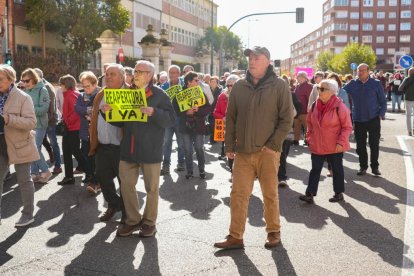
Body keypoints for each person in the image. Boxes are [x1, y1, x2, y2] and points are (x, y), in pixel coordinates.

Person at [214, 46, 293, 249]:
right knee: (238, 194)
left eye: (256, 57)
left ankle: (274, 232)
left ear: (267, 60)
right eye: (250, 57)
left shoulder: (279, 85)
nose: (251, 60)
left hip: (268, 152)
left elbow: (286, 119)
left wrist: (273, 145)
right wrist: (229, 145)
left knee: (269, 194)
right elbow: (230, 118)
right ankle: (235, 237)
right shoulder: (239, 86)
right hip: (242, 151)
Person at [107, 60, 175, 237]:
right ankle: (133, 220)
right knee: (126, 187)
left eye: (140, 72)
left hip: (151, 148)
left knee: (151, 189)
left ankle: (149, 223)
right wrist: (107, 112)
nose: (136, 74)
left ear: (150, 75)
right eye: (135, 71)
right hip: (128, 148)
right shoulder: (127, 93)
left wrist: (154, 112)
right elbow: (119, 120)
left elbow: (170, 120)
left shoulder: (160, 95)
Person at [299, 79, 352, 203]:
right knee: (315, 169)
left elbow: (347, 127)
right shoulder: (314, 105)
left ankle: (338, 193)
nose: (319, 91)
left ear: (332, 92)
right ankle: (310, 194)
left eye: (322, 89)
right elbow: (310, 122)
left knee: (337, 169)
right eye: (318, 88)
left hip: (334, 145)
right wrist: (309, 136)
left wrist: (341, 142)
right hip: (317, 144)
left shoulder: (340, 107)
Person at [0, 65, 39, 227]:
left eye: (0, 79)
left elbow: (31, 122)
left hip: (20, 144)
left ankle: (28, 214)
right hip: (1, 145)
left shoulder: (23, 97)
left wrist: (8, 119)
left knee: (24, 180)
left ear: (11, 79)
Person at [89, 64, 126, 222]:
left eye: (113, 74)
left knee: (124, 182)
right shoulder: (101, 93)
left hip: (121, 148)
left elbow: (129, 121)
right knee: (103, 179)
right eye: (107, 74)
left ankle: (127, 213)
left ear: (122, 77)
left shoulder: (129, 93)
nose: (108, 77)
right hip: (102, 146)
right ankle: (114, 205)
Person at [343, 63, 387, 176]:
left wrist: (381, 114)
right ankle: (363, 167)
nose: (360, 72)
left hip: (373, 118)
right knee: (360, 145)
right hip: (358, 119)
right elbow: (341, 94)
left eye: (362, 70)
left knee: (374, 144)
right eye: (358, 70)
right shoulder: (352, 84)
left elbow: (383, 101)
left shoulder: (376, 84)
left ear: (368, 71)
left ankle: (375, 167)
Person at [174, 71, 211, 180]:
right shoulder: (180, 95)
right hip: (185, 127)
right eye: (196, 80)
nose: (198, 82)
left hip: (198, 126)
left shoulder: (200, 93)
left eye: (198, 80)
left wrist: (198, 110)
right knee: (187, 150)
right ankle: (189, 171)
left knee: (199, 148)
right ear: (189, 82)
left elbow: (208, 108)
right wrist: (186, 112)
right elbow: (175, 110)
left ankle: (201, 170)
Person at [57, 74, 90, 185]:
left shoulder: (70, 95)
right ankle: (69, 176)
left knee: (75, 151)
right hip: (72, 127)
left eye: (61, 84)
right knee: (68, 151)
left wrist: (68, 122)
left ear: (65, 84)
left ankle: (90, 172)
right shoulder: (72, 94)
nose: (60, 86)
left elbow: (76, 112)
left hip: (72, 127)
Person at [20, 68, 52, 184]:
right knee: (31, 148)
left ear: (34, 79)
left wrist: (28, 109)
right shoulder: (26, 91)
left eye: (27, 81)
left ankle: (45, 170)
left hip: (39, 124)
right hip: (29, 125)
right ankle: (34, 173)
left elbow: (43, 109)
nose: (24, 83)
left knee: (35, 148)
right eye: (23, 81)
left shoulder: (42, 90)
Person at [75, 71, 100, 194]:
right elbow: (78, 108)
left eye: (87, 86)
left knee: (96, 158)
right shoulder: (82, 95)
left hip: (98, 133)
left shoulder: (101, 94)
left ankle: (96, 181)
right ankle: (90, 175)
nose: (85, 89)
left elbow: (101, 110)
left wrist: (89, 111)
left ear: (95, 84)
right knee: (86, 154)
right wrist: (90, 110)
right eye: (83, 86)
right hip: (86, 132)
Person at [34, 68, 62, 175]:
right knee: (39, 144)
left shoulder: (46, 86)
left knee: (53, 143)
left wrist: (48, 119)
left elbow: (50, 107)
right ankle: (37, 168)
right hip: (42, 120)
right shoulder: (39, 86)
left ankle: (58, 165)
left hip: (49, 121)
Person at [159, 65, 185, 175]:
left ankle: (181, 163)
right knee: (166, 143)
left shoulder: (184, 85)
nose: (173, 74)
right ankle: (166, 165)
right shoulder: (163, 86)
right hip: (167, 119)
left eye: (175, 72)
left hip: (180, 119)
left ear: (179, 74)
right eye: (171, 72)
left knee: (181, 143)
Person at [214, 74, 240, 177]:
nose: (229, 88)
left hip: (241, 129)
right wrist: (223, 117)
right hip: (227, 128)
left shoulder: (243, 96)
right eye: (228, 85)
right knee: (230, 150)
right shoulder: (222, 96)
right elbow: (216, 112)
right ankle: (233, 174)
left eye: (232, 85)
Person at [293, 71, 313, 145]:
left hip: (305, 111)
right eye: (298, 77)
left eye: (301, 77)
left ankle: (307, 140)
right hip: (297, 111)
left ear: (305, 78)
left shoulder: (309, 86)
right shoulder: (297, 86)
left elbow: (310, 99)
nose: (299, 78)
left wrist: (309, 110)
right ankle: (296, 140)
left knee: (306, 127)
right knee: (296, 126)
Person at [399, 67, 414, 136]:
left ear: (409, 72)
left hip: (408, 99)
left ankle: (409, 131)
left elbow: (400, 88)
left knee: (408, 116)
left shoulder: (406, 79)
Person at [208, 76, 222, 144]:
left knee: (215, 125)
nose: (212, 83)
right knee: (211, 125)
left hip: (217, 110)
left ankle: (214, 139)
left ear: (217, 83)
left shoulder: (220, 91)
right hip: (209, 111)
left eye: (214, 82)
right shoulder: (208, 91)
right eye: (211, 82)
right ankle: (212, 137)